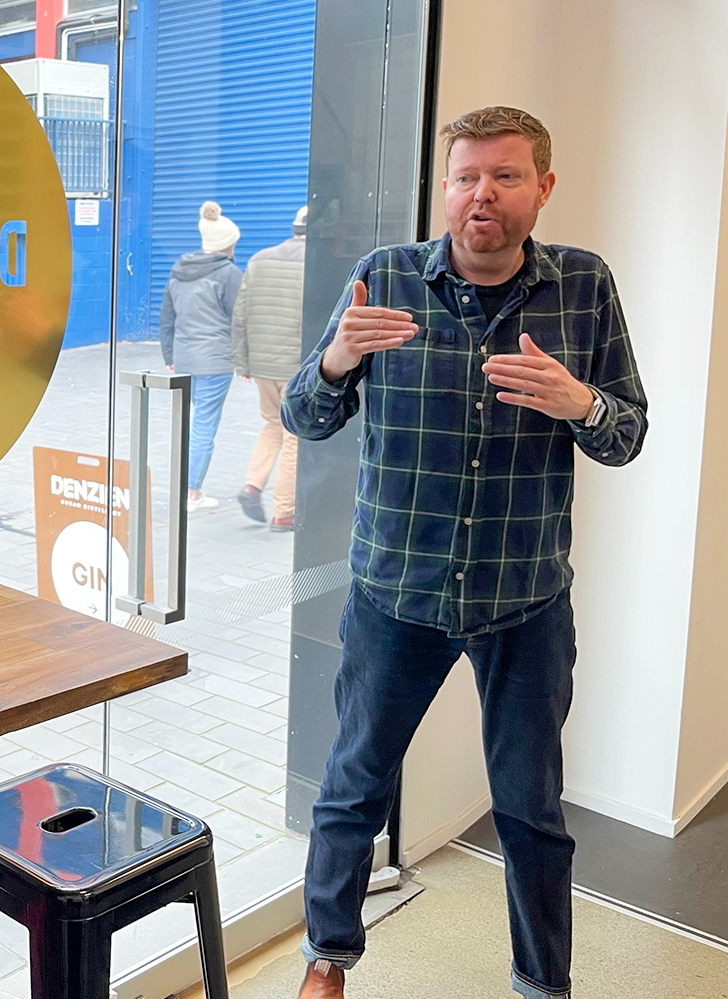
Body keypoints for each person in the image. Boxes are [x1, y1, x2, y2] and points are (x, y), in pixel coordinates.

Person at [282, 107, 647, 999]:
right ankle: (327, 960)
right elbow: (302, 415)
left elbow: (628, 435)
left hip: (525, 597)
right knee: (352, 787)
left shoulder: (585, 287)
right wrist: (333, 363)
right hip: (394, 592)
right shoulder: (385, 278)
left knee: (530, 810)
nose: (481, 193)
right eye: (465, 176)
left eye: (505, 176)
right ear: (444, 187)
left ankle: (541, 982)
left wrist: (580, 403)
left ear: (543, 189)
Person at [161, 200, 243, 512]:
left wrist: (169, 354)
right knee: (204, 425)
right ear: (228, 243)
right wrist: (246, 361)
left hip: (184, 358)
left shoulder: (179, 270)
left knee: (190, 423)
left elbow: (167, 317)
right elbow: (241, 320)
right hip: (215, 361)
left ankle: (183, 485)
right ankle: (191, 494)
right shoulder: (229, 274)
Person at [231, 205, 308, 532]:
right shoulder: (316, 262)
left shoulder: (259, 259)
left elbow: (240, 316)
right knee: (293, 434)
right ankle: (284, 512)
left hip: (262, 364)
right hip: (295, 364)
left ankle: (252, 484)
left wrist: (243, 362)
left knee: (272, 425)